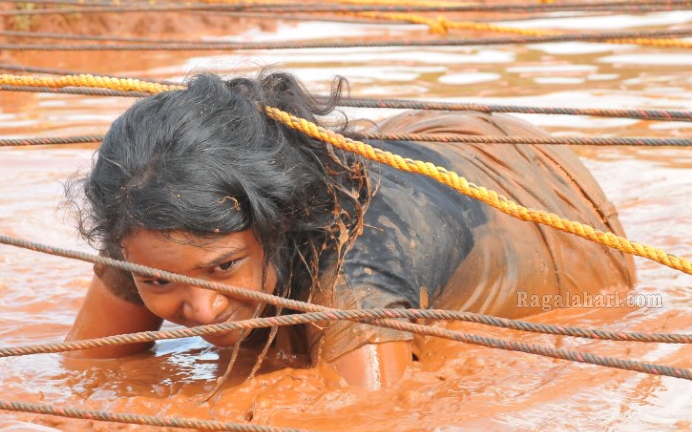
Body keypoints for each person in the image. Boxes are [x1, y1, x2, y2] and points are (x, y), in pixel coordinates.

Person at [66, 70, 635, 390]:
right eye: (161, 283)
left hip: (539, 200)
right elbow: (89, 367)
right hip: (420, 146)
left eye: (223, 268)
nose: (204, 309)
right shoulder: (148, 225)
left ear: (279, 222)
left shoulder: (354, 277)